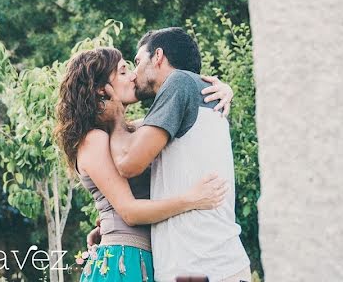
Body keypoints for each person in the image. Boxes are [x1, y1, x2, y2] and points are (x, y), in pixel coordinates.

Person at [55, 46, 235, 282]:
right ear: (102, 89)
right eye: (122, 71)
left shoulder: (132, 131)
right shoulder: (94, 139)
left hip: (150, 257)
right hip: (125, 260)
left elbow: (178, 113)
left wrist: (224, 90)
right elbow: (129, 212)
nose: (132, 76)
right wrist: (193, 199)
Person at [108, 27, 251, 282]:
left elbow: (129, 165)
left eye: (138, 62)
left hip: (200, 267)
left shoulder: (179, 83)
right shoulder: (195, 95)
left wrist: (115, 114)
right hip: (216, 263)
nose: (133, 74)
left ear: (159, 56)